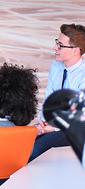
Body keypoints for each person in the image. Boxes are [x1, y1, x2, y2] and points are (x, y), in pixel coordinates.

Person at [31, 23, 85, 161]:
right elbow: (49, 96)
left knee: (35, 148)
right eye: (57, 43)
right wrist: (43, 123)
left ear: (76, 50)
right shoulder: (56, 66)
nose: (55, 48)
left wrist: (51, 129)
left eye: (60, 45)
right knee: (24, 143)